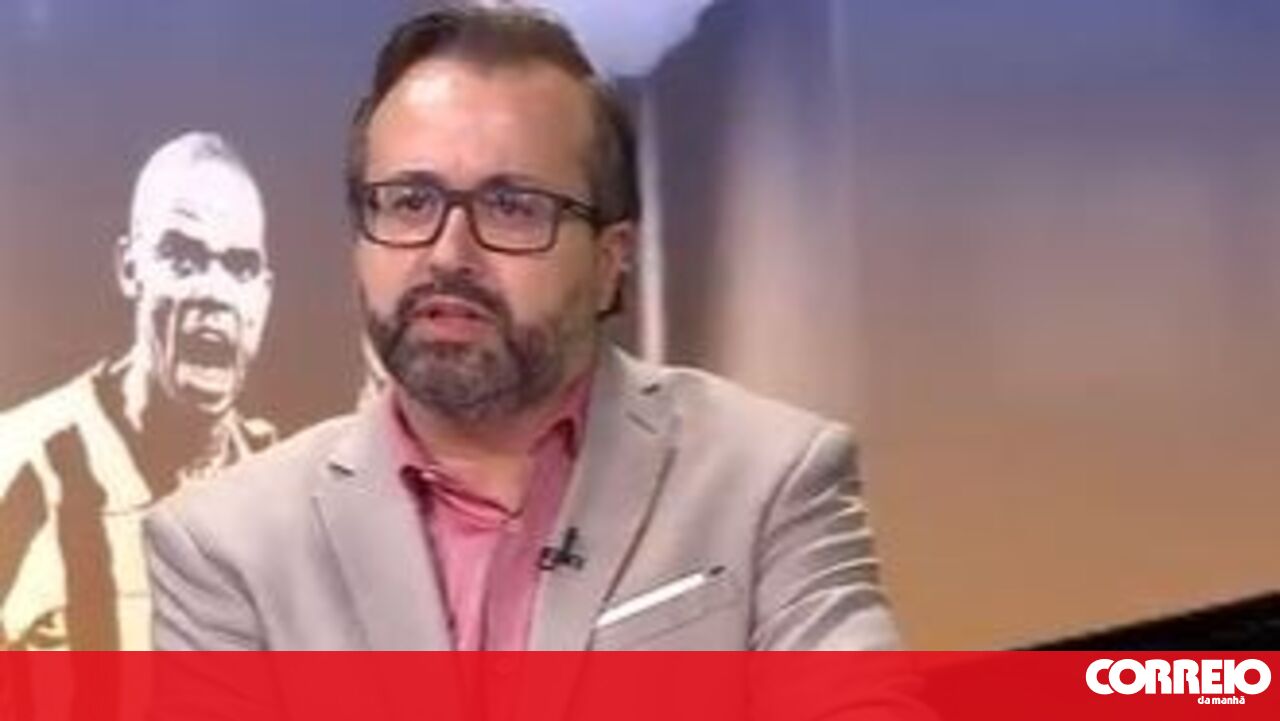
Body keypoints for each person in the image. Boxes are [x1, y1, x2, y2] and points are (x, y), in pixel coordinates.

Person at [144, 6, 900, 655]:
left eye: (511, 207)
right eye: (409, 201)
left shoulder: (768, 479)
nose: (448, 253)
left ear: (610, 260)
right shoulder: (225, 546)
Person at [0, 131, 276, 650]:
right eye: (184, 258)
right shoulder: (17, 464)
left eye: (240, 266)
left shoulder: (289, 496)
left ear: (263, 294)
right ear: (130, 269)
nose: (214, 292)